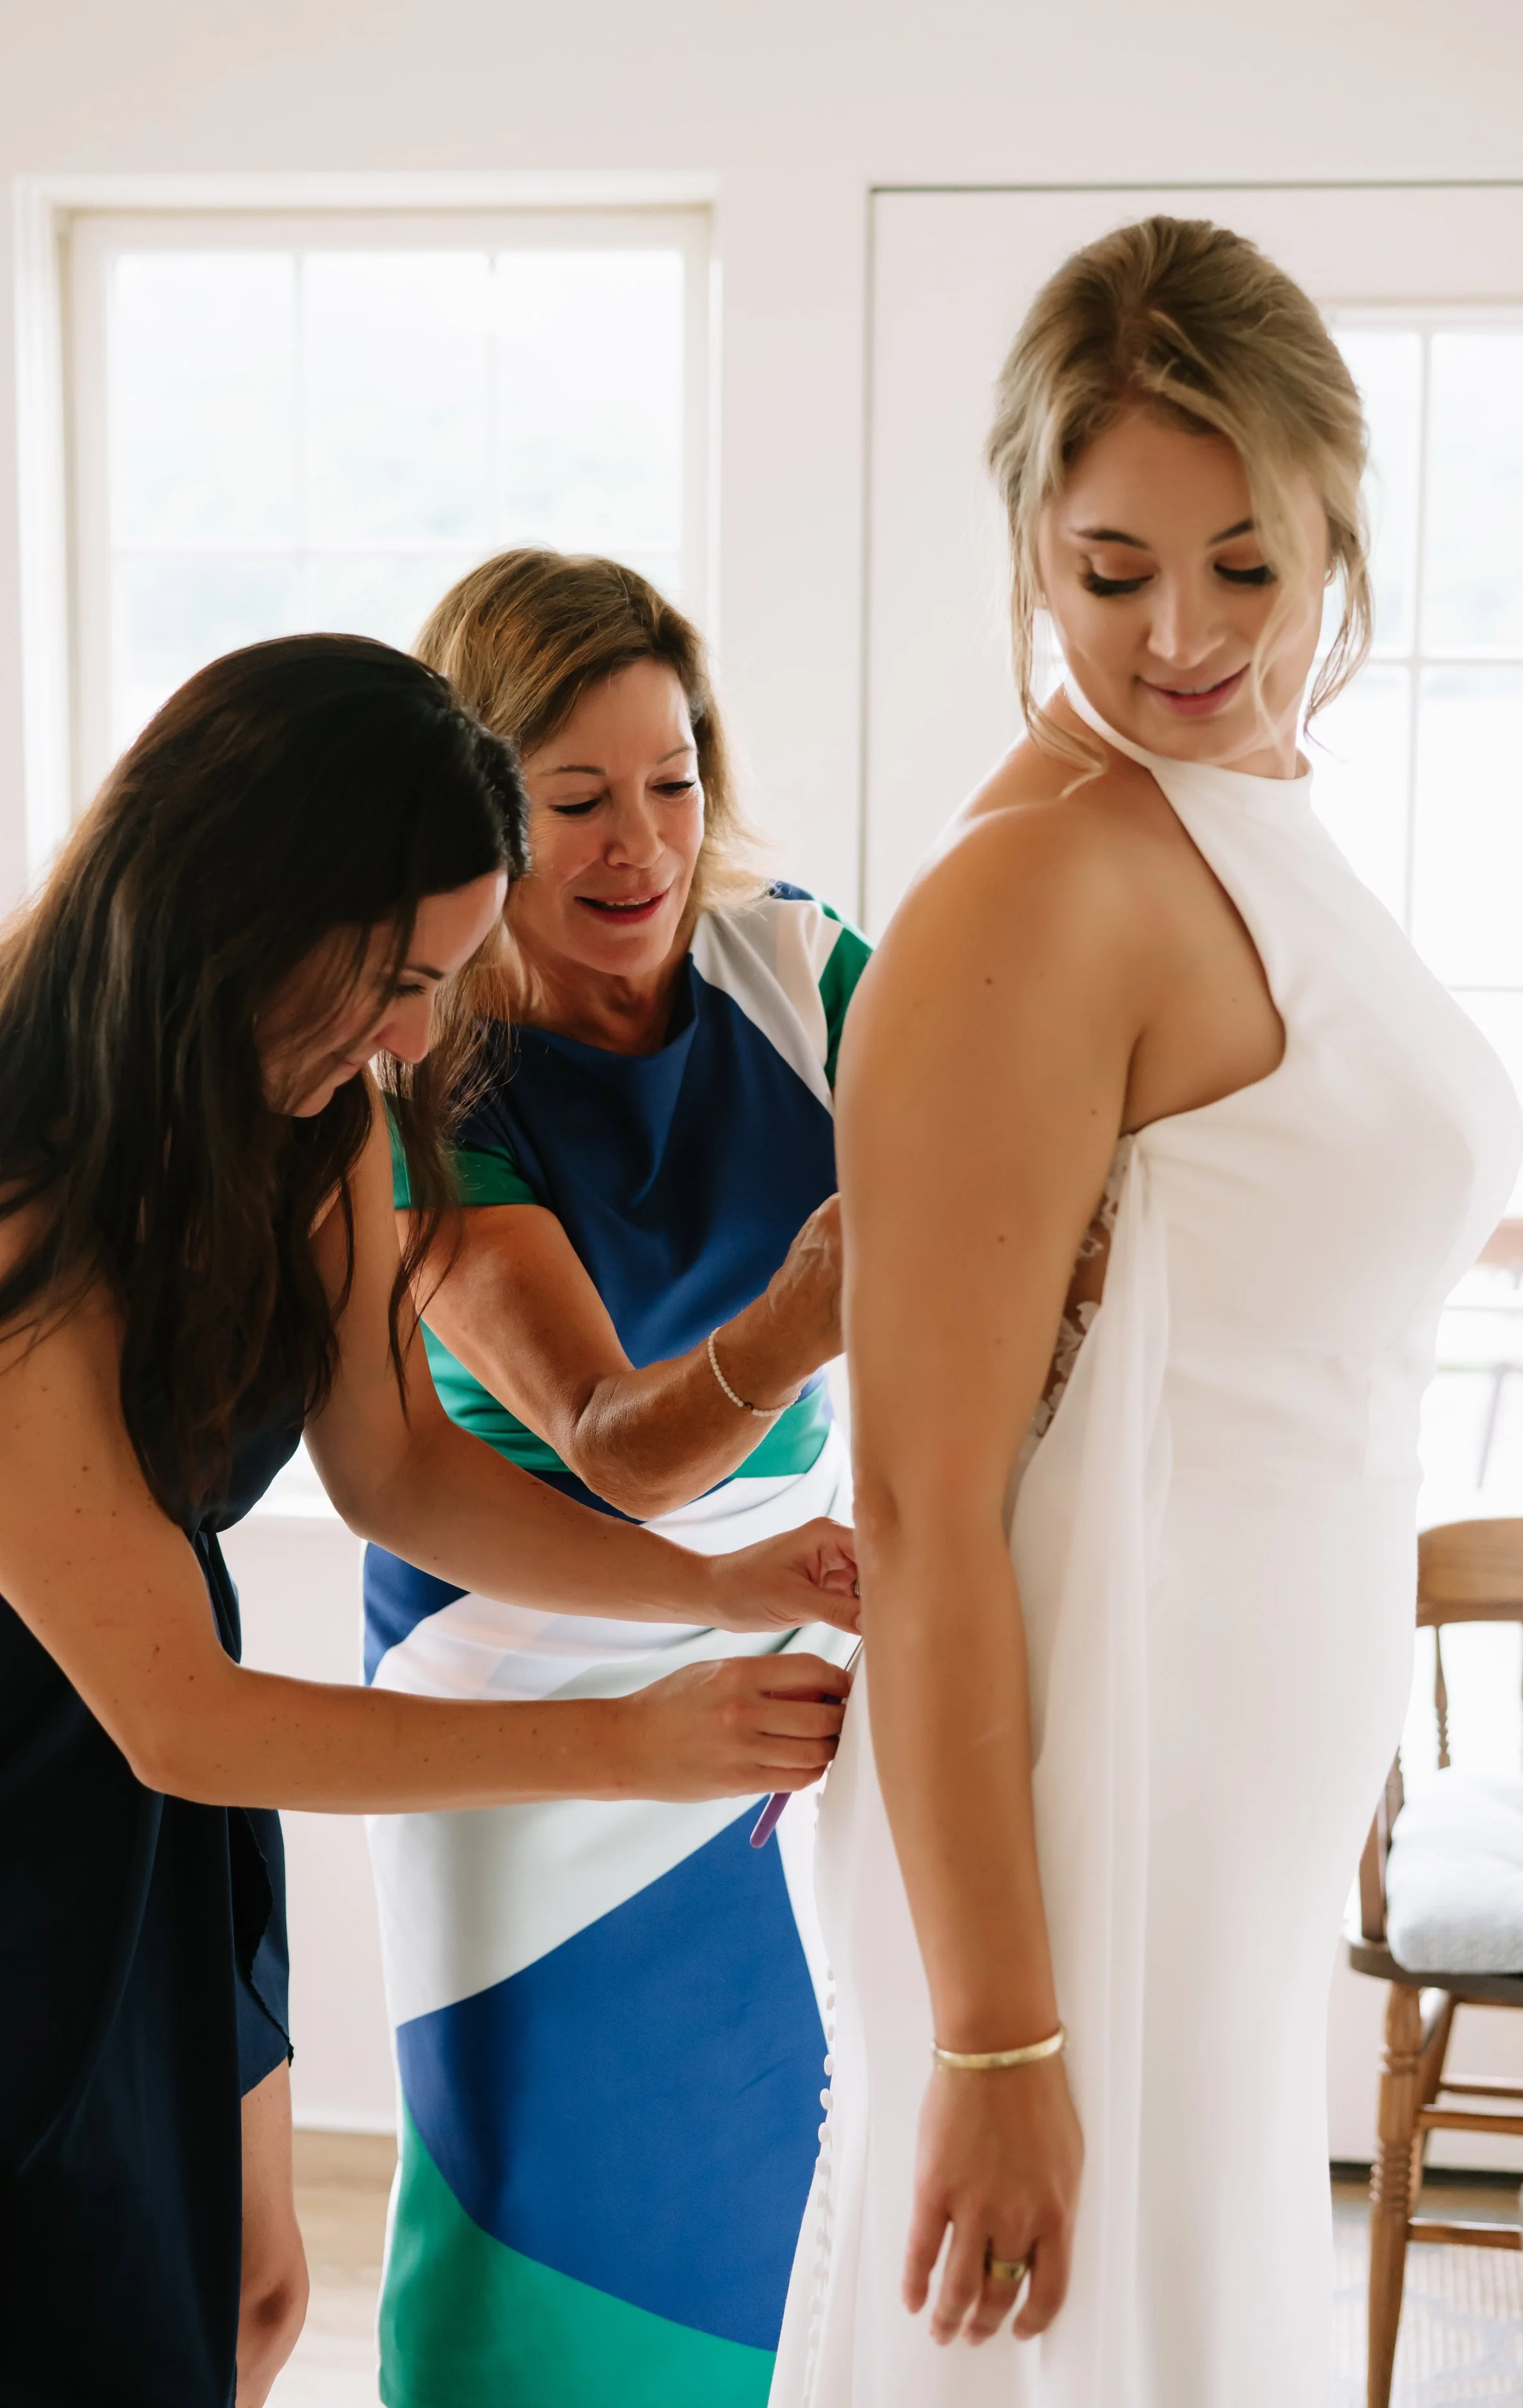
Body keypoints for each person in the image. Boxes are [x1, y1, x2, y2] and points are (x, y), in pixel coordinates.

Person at [770, 215, 1523, 2407]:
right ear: (1026, 540)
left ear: (1333, 532)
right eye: (1110, 573)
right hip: (1086, 1799)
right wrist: (998, 2032)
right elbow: (917, 1500)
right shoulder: (1037, 883)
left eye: (1245, 565)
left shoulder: (1245, 806)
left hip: (1227, 1785)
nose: (1181, 634)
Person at [0, 635, 856, 2408]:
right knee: (87, 2325)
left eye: (448, 979)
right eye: (398, 976)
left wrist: (703, 1583)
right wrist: (624, 1741)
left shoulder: (315, 1122)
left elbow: (397, 1467)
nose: (417, 1038)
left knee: (249, 2303)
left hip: (170, 1806)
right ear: (245, 907)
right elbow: (177, 1715)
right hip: (62, 1778)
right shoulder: (23, 1191)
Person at [360, 551, 872, 2408]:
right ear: (486, 811)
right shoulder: (419, 1062)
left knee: (765, 2187)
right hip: (521, 1673)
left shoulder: (800, 967)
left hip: (785, 1648)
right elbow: (610, 1444)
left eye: (672, 778)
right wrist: (810, 1312)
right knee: (533, 2207)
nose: (640, 841)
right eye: (574, 800)